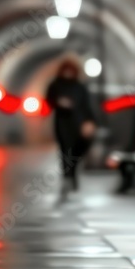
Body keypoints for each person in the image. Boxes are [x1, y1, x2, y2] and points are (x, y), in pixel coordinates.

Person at [45, 56, 96, 198]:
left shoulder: (79, 87)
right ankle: (68, 178)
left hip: (79, 123)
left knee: (77, 151)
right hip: (63, 123)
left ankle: (72, 175)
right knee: (66, 151)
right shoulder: (55, 85)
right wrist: (59, 102)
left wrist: (90, 121)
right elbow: (49, 100)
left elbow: (86, 105)